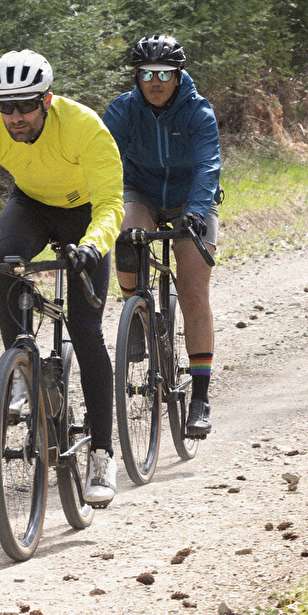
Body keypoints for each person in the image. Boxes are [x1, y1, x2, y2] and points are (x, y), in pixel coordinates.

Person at [0, 49, 125, 505]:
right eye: (5, 107)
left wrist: (93, 246)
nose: (14, 117)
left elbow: (111, 204)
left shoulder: (83, 126)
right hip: (33, 206)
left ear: (47, 101)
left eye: (24, 106)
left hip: (86, 217)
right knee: (8, 260)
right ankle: (21, 369)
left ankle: (102, 453)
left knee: (85, 328)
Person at [102, 34, 222, 438]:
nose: (155, 82)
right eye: (147, 74)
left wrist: (195, 213)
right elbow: (101, 162)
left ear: (178, 76)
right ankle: (135, 313)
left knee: (192, 292)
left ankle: (201, 397)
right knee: (126, 237)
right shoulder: (121, 111)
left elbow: (209, 166)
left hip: (193, 199)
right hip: (141, 193)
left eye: (165, 74)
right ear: (136, 77)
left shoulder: (198, 112)